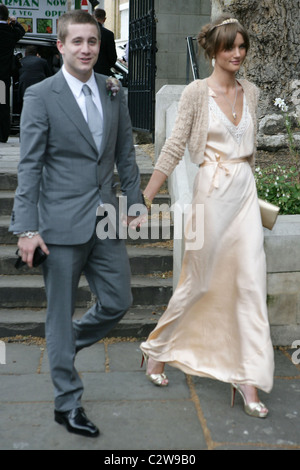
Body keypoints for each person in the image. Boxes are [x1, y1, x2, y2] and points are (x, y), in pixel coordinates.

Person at [9, 10, 144, 438]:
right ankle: (67, 403)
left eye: (93, 41)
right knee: (59, 313)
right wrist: (26, 229)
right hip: (58, 224)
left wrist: (135, 204)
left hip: (104, 220)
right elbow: (29, 166)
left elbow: (125, 154)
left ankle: (62, 344)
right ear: (62, 46)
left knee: (118, 300)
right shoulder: (41, 95)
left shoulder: (113, 89)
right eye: (78, 42)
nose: (86, 49)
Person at [140, 14, 274, 419]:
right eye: (229, 46)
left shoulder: (250, 91)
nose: (238, 53)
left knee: (250, 284)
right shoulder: (197, 93)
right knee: (198, 282)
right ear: (213, 50)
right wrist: (146, 196)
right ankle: (157, 353)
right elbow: (175, 146)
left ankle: (247, 378)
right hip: (210, 198)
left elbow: (249, 150)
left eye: (242, 46)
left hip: (244, 197)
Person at [0, 5, 25, 142]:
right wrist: (15, 23)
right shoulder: (10, 32)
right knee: (2, 105)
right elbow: (21, 31)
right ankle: (3, 134)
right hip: (2, 77)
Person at [93, 8, 117, 76]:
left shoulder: (85, 32)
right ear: (104, 19)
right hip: (103, 72)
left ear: (92, 17)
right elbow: (112, 57)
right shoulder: (108, 34)